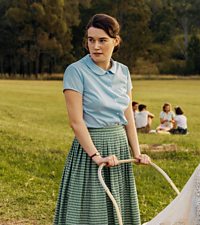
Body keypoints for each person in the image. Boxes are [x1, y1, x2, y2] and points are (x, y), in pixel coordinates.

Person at [54, 14, 151, 225]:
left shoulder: (123, 72)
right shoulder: (76, 71)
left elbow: (128, 118)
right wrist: (96, 156)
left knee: (118, 207)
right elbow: (76, 122)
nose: (95, 46)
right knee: (89, 211)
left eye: (102, 40)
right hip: (91, 147)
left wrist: (137, 152)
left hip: (119, 145)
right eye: (91, 40)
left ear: (116, 41)